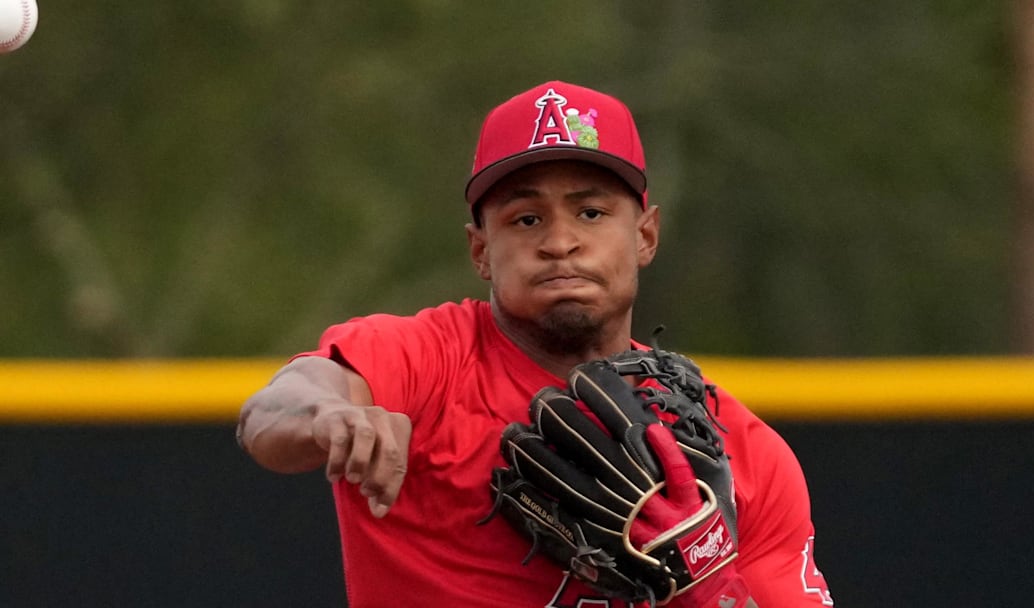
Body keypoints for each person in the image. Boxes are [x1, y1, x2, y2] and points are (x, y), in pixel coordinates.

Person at [236, 80, 834, 607]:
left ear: (646, 235)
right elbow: (273, 411)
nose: (560, 242)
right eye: (526, 219)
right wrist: (331, 415)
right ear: (480, 251)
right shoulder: (428, 360)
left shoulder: (740, 451)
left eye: (591, 212)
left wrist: (712, 588)